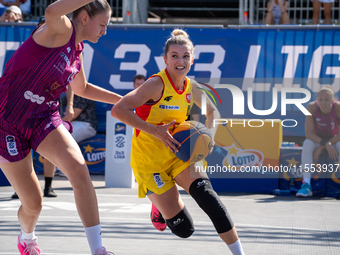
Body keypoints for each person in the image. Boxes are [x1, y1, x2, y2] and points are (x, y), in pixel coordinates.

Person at [0, 0, 122, 254]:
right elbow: (52, 10)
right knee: (33, 203)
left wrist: (125, 101)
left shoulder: (77, 51)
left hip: (44, 117)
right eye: (103, 24)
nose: (105, 30)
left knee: (79, 171)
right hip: (7, 120)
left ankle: (98, 249)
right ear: (85, 18)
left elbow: (83, 89)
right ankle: (27, 237)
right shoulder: (60, 29)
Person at [111, 29, 245, 255]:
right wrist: (155, 130)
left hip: (179, 154)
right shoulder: (155, 84)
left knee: (208, 197)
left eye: (185, 56)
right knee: (185, 229)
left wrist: (209, 135)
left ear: (192, 59)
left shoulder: (192, 87)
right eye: (174, 55)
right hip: (149, 162)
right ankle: (158, 205)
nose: (180, 61)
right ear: (165, 60)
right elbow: (118, 110)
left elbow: (213, 113)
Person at [296, 86, 340, 197]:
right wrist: (324, 144)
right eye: (320, 99)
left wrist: (326, 145)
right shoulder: (312, 107)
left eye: (327, 100)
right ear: (317, 100)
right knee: (307, 143)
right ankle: (306, 186)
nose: (323, 103)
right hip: (319, 141)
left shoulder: (338, 107)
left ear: (332, 100)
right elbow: (309, 134)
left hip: (334, 141)